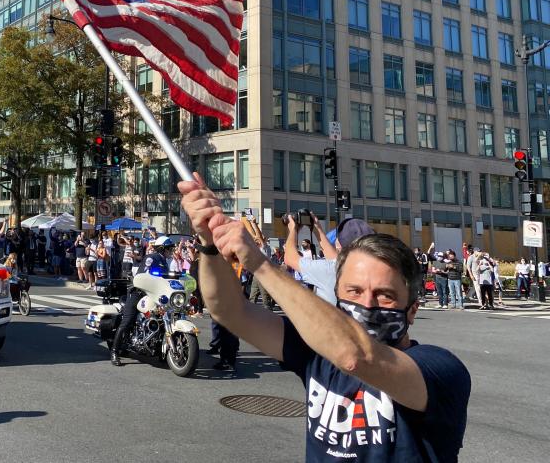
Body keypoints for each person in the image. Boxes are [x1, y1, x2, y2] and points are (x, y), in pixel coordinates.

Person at [180, 173, 471, 461]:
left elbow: (356, 356)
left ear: (412, 310)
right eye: (354, 291)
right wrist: (209, 242)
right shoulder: (315, 352)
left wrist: (258, 261)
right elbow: (230, 311)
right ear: (337, 292)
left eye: (385, 295)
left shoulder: (440, 370)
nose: (366, 304)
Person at [110, 235, 172, 366]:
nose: (171, 251)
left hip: (156, 295)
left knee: (163, 319)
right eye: (169, 248)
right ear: (162, 249)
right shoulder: (151, 258)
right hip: (139, 292)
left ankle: (163, 351)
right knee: (127, 321)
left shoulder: (164, 261)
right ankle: (115, 351)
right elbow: (142, 275)